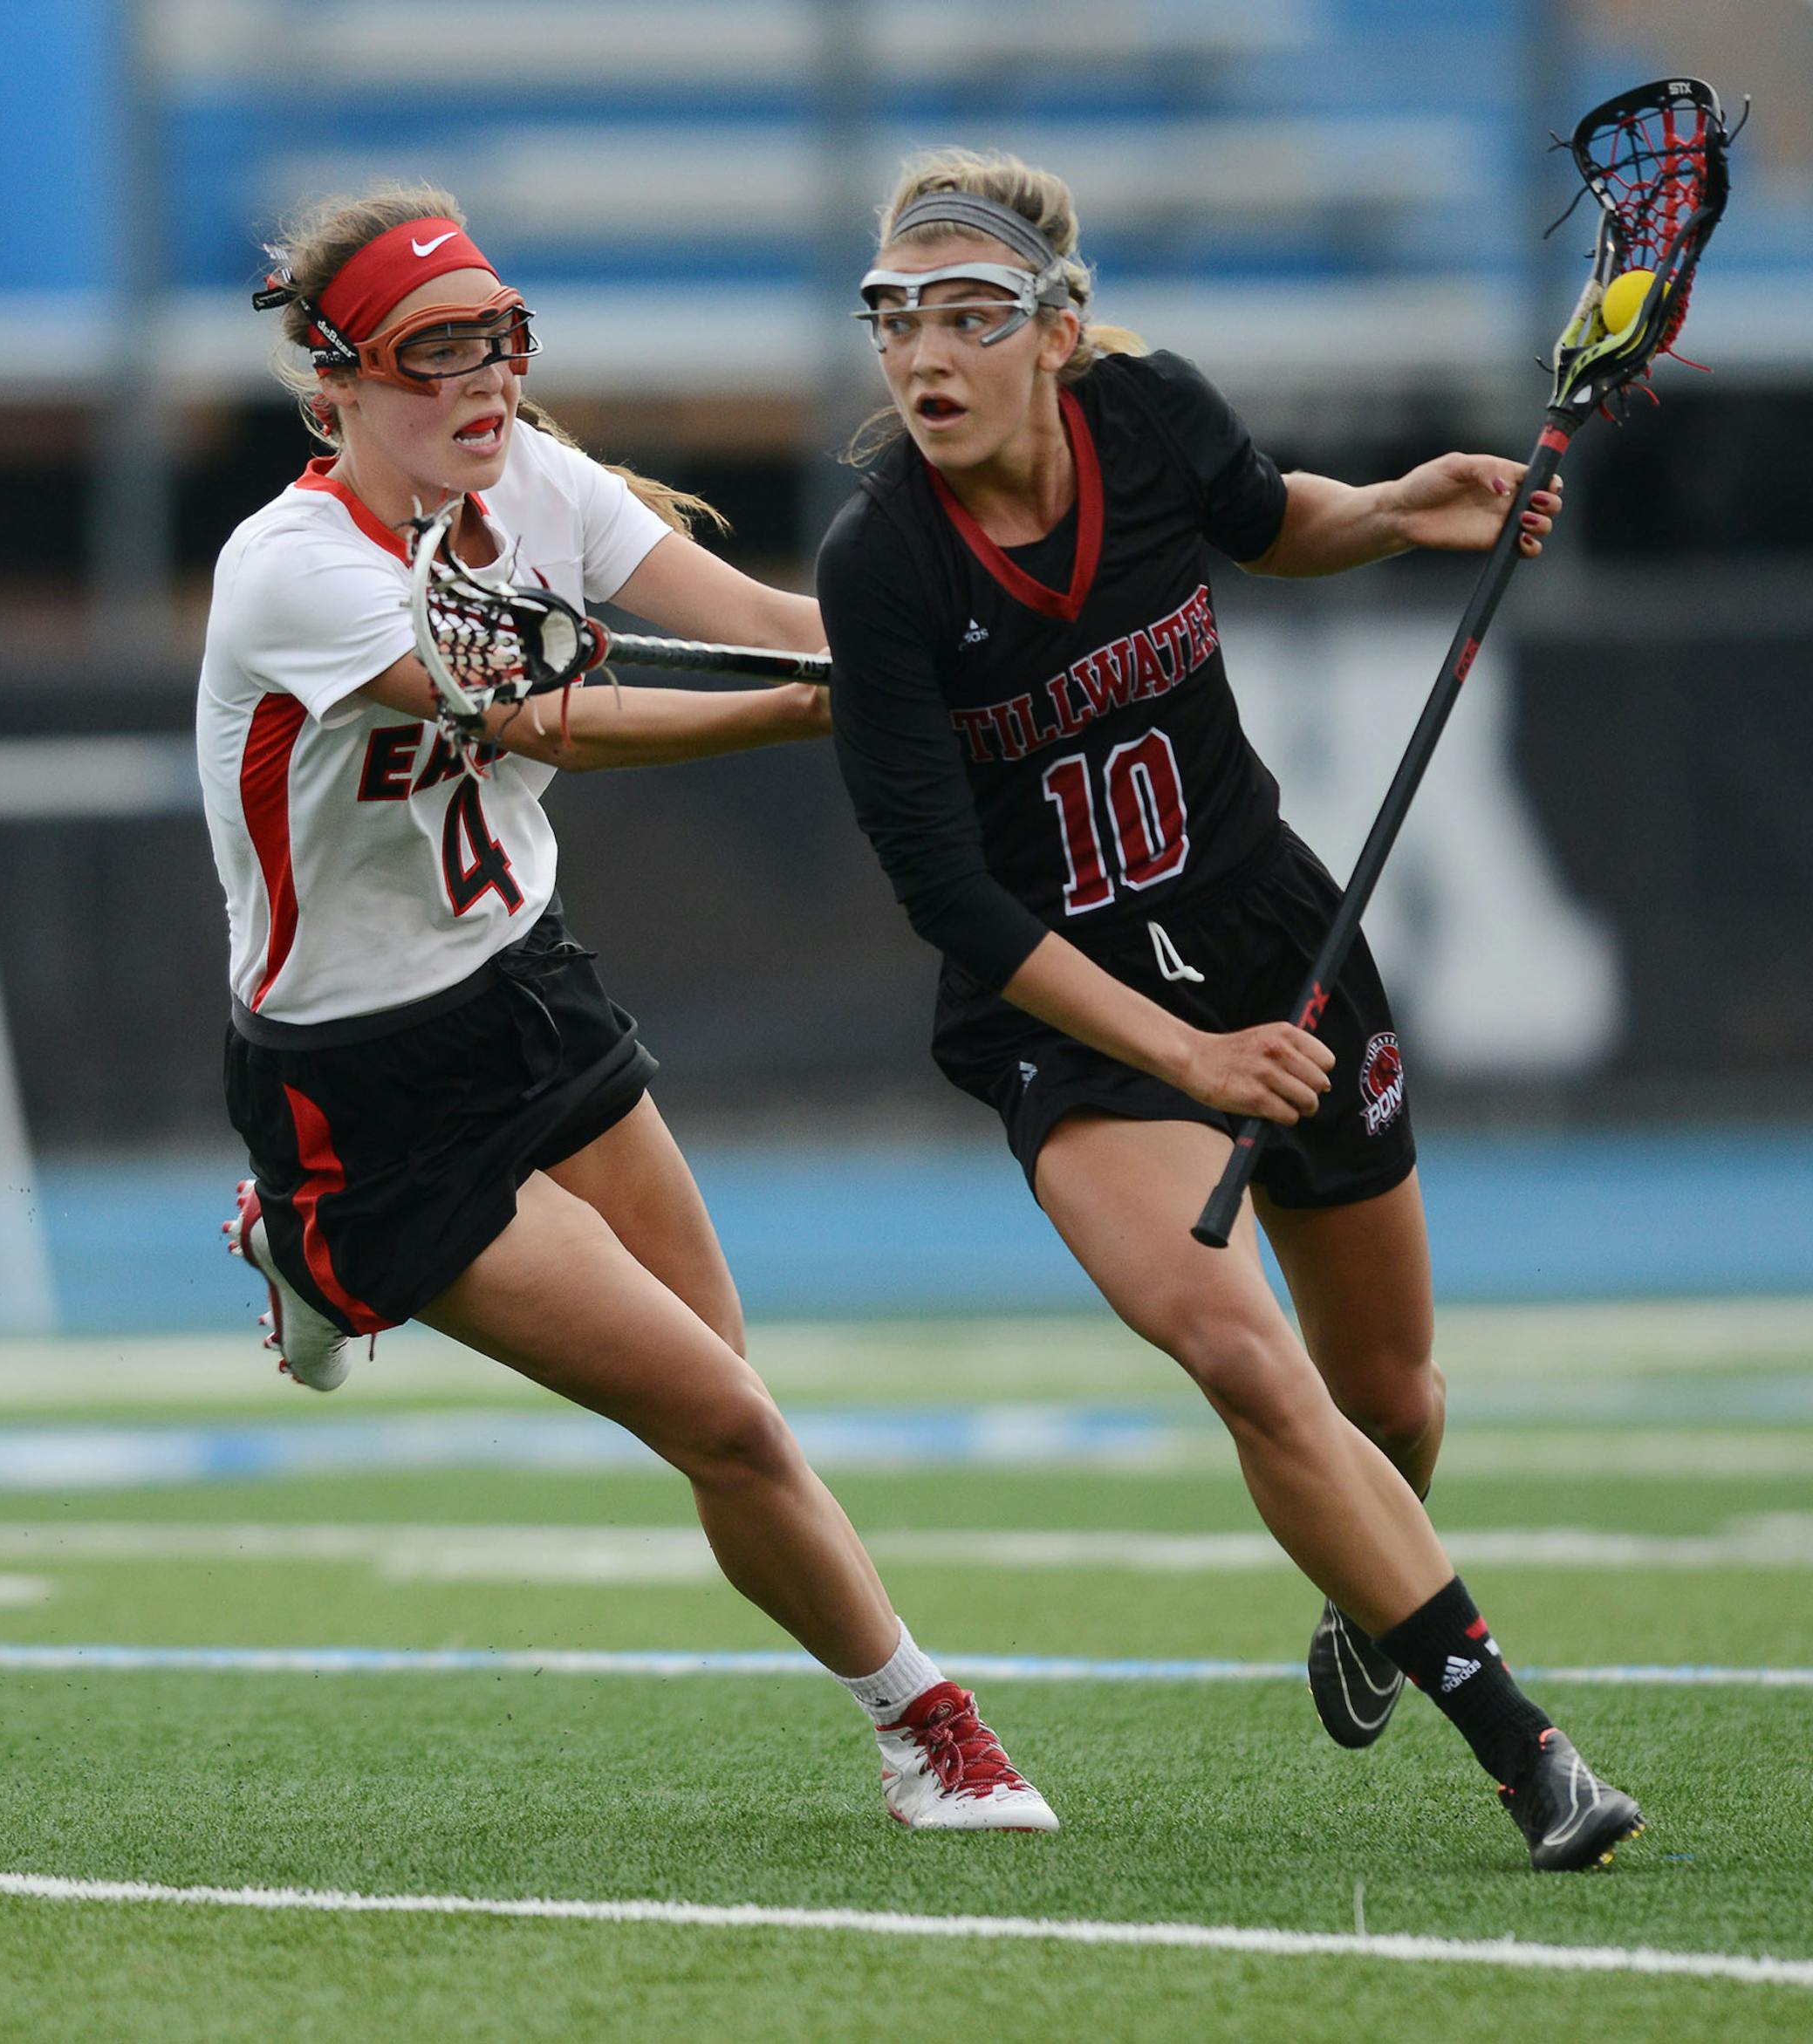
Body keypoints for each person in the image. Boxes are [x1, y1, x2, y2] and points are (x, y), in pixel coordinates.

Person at [816, 150, 1641, 1870]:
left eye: (971, 316)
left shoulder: (1152, 416)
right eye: (899, 320)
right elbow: (949, 897)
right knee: (1249, 1359)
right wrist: (1177, 1055)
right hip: (1073, 1020)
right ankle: (1522, 1746)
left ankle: (1371, 1585)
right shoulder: (880, 565)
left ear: (1061, 330)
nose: (926, 357)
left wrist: (1402, 507)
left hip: (1281, 940)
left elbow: (1276, 522)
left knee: (1391, 1399)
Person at [197, 184, 1055, 1833]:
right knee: (726, 1418)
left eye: (499, 343)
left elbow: (769, 627)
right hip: (363, 1084)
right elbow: (549, 724)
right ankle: (928, 1731)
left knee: (727, 1397)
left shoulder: (526, 477)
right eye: (432, 354)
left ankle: (298, 1247)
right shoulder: (288, 570)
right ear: (337, 383)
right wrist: (841, 717)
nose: (482, 383)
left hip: (530, 985)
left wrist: (978, 645)